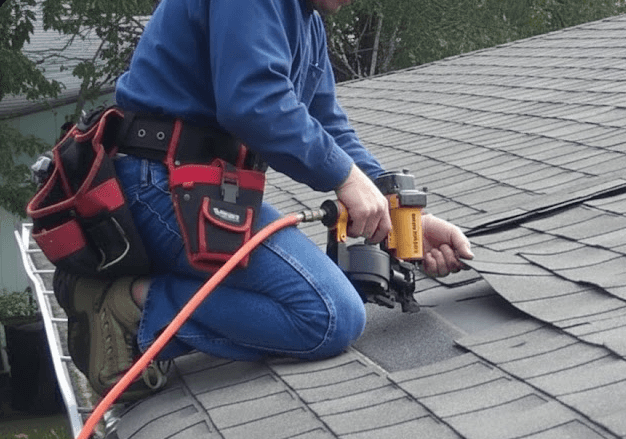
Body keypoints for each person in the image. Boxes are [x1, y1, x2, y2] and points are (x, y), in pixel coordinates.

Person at [53, 0, 473, 401]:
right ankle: (130, 306)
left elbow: (326, 122)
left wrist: (400, 213)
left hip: (202, 189)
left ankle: (154, 306)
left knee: (324, 300)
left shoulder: (306, 22)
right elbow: (254, 103)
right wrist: (343, 178)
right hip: (159, 185)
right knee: (328, 315)